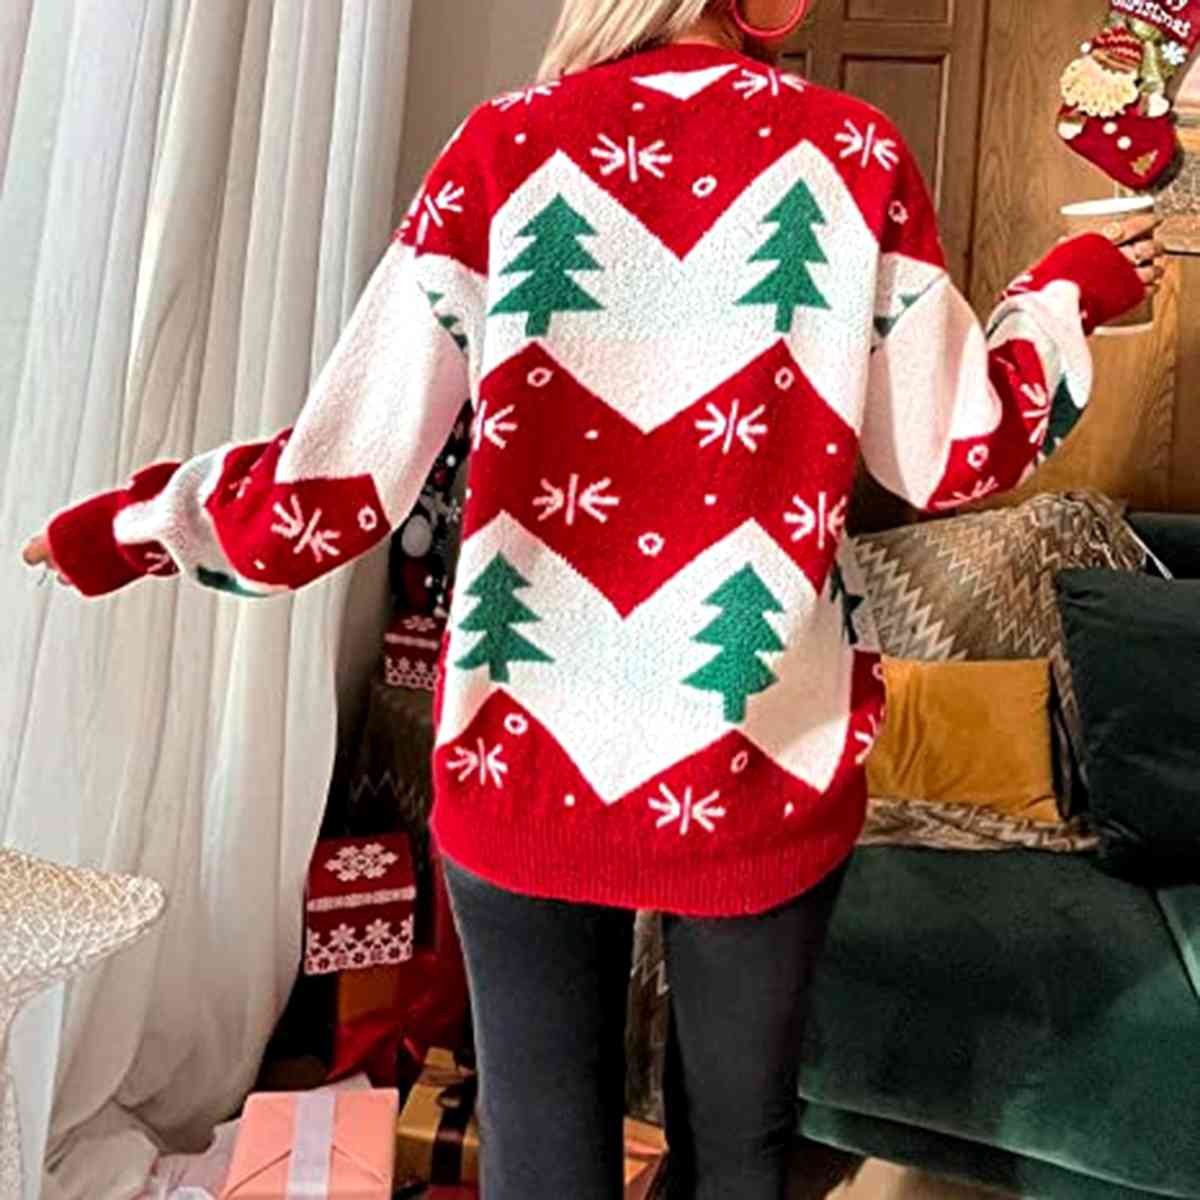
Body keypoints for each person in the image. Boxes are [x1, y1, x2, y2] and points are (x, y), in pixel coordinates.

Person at [24, 0, 1160, 1196]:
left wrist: (130, 528)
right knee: (740, 1152)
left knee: (541, 1147)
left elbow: (335, 485)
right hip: (756, 769)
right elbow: (956, 453)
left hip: (524, 760)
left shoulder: (504, 146)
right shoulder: (852, 151)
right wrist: (1065, 294)